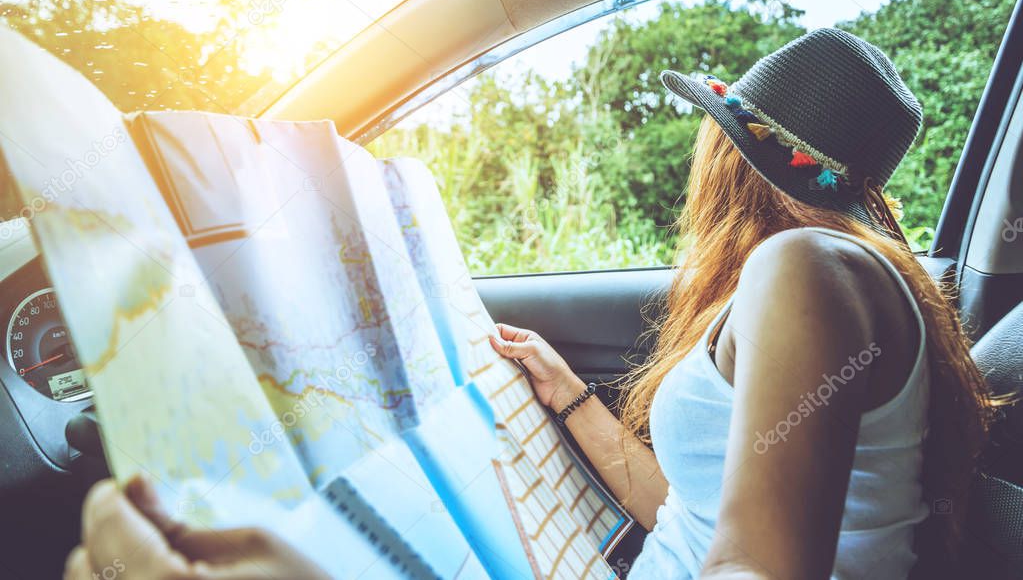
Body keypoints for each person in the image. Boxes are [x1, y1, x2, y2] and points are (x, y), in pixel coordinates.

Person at [66, 29, 993, 579]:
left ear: (732, 160)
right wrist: (571, 399)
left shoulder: (803, 271)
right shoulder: (853, 275)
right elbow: (701, 508)